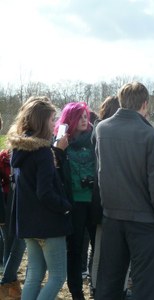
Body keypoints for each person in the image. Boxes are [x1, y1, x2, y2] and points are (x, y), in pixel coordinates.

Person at [95, 81, 154, 300]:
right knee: (146, 284)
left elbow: (101, 171)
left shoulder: (102, 128)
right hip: (146, 219)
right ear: (145, 104)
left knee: (109, 280)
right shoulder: (151, 136)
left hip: (112, 215)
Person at [6, 97, 72, 299]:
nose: (55, 125)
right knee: (58, 276)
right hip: (48, 224)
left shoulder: (19, 149)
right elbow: (45, 192)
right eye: (53, 120)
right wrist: (65, 207)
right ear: (41, 121)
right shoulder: (42, 151)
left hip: (28, 224)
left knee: (34, 273)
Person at [55, 102, 96, 300]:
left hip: (94, 202)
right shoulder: (62, 143)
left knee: (99, 248)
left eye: (85, 116)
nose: (84, 120)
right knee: (75, 249)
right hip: (74, 204)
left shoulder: (95, 139)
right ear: (70, 119)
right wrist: (59, 152)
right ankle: (76, 292)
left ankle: (98, 288)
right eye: (79, 116)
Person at [89, 95, 121, 298]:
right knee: (101, 248)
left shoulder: (97, 131)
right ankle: (96, 286)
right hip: (106, 200)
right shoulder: (104, 132)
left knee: (99, 248)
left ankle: (95, 285)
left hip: (99, 198)